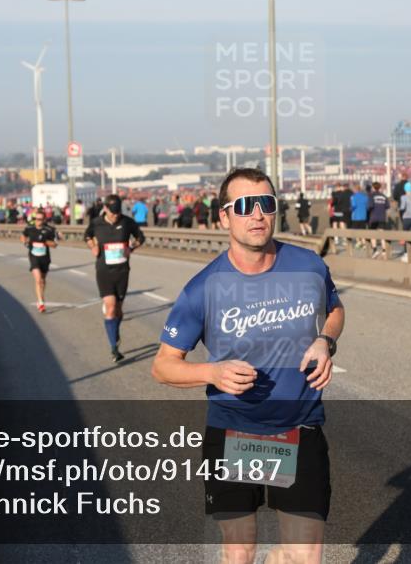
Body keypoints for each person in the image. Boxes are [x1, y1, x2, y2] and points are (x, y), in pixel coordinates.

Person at [151, 167, 345, 563]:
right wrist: (212, 372)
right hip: (235, 432)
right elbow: (163, 366)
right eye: (243, 206)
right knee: (239, 553)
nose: (257, 214)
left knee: (304, 557)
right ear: (224, 217)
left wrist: (326, 341)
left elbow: (336, 310)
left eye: (266, 204)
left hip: (300, 428)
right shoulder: (203, 288)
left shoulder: (309, 267)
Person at [85, 194, 145, 362]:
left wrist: (131, 248)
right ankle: (114, 348)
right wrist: (93, 246)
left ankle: (115, 332)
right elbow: (87, 236)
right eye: (112, 212)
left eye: (117, 212)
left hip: (122, 271)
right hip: (104, 270)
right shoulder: (96, 223)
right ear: (105, 209)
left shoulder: (126, 222)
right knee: (110, 307)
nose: (115, 215)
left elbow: (141, 237)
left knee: (118, 309)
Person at [21, 209, 58, 313]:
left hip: (45, 258)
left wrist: (45, 241)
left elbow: (55, 245)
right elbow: (23, 236)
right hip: (34, 256)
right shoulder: (30, 228)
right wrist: (25, 243)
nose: (38, 221)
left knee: (42, 280)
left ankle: (40, 298)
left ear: (44, 219)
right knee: (38, 280)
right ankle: (41, 302)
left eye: (40, 219)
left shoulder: (49, 230)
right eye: (36, 219)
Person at [368, 182, 390, 258]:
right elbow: (387, 206)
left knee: (372, 234)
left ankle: (375, 250)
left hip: (373, 217)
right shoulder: (384, 196)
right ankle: (384, 251)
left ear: (373, 188)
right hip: (382, 217)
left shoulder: (371, 195)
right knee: (382, 234)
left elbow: (370, 206)